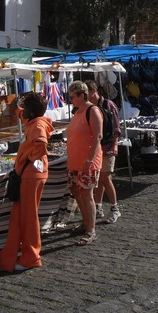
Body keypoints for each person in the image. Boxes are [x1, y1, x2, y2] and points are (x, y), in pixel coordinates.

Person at [0, 92, 52, 272]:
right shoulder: (36, 120)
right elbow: (23, 116)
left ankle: (30, 257)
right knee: (19, 217)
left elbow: (41, 145)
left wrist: (28, 159)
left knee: (28, 218)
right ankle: (9, 258)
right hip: (31, 174)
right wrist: (15, 105)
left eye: (25, 107)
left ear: (31, 111)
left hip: (31, 175)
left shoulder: (37, 124)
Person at [66, 80, 103, 245]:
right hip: (75, 161)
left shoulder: (92, 110)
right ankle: (86, 222)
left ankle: (91, 230)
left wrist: (89, 160)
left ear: (82, 95)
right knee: (77, 191)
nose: (70, 99)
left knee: (87, 194)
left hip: (88, 161)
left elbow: (97, 136)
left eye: (72, 97)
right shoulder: (77, 111)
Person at [85, 79, 122, 224]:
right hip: (96, 149)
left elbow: (116, 127)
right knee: (98, 178)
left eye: (88, 93)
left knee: (106, 178)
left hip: (107, 146)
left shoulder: (108, 105)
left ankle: (115, 209)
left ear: (94, 91)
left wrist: (115, 145)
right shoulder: (88, 107)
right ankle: (98, 207)